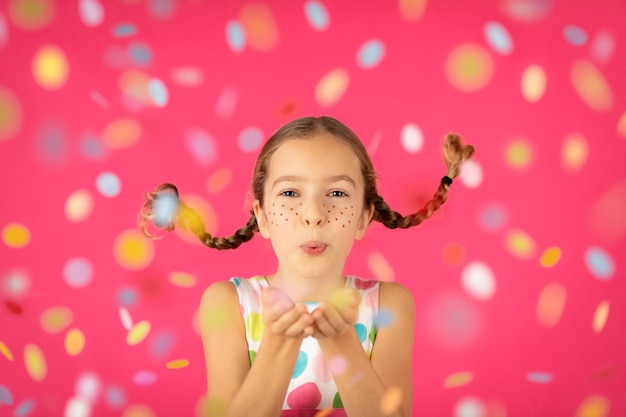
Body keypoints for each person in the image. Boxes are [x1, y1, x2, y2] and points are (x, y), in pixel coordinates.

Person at [139, 116, 475, 417]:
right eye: (289, 192)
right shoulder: (228, 302)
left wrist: (341, 341)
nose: (314, 214)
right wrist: (278, 344)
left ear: (363, 218)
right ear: (262, 216)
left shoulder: (389, 303)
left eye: (338, 194)